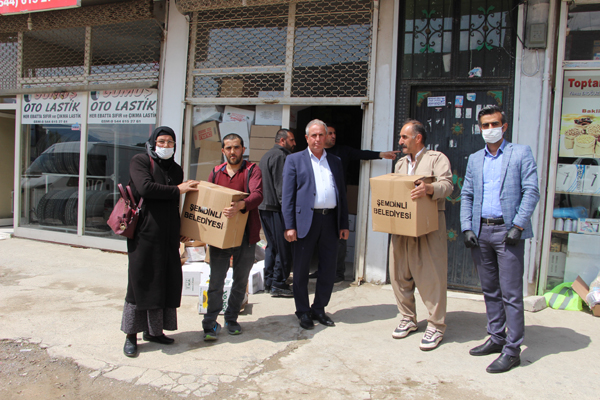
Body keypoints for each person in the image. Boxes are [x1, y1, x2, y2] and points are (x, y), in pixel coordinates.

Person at [460, 105, 539, 373]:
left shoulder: (520, 153)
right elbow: (467, 194)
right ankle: (496, 337)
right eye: (485, 125)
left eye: (494, 124)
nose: (490, 129)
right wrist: (466, 227)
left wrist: (518, 225)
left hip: (508, 233)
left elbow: (531, 191)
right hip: (481, 232)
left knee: (512, 294)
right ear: (480, 129)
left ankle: (513, 349)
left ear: (504, 127)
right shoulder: (474, 159)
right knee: (490, 290)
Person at [121, 126, 200, 358]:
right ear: (153, 142)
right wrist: (178, 189)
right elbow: (146, 188)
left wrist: (182, 231)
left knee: (163, 282)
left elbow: (174, 204)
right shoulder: (140, 161)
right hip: (144, 233)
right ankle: (131, 335)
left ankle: (154, 332)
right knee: (139, 283)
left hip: (168, 235)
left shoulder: (175, 169)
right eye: (162, 141)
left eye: (170, 143)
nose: (166, 146)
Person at [388, 119, 453, 351]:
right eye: (400, 137)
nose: (400, 142)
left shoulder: (437, 159)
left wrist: (429, 188)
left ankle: (436, 324)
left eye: (404, 137)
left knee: (431, 275)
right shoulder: (400, 164)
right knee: (399, 273)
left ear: (418, 138)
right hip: (402, 227)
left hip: (428, 227)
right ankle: (408, 318)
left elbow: (448, 185)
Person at [282, 119, 349, 330]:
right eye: (314, 135)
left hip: (329, 220)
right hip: (304, 222)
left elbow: (342, 195)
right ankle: (302, 311)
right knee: (301, 269)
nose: (318, 139)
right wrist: (289, 225)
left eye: (322, 135)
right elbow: (287, 196)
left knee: (328, 268)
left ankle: (319, 308)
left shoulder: (335, 161)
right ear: (307, 138)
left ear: (327, 136)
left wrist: (343, 223)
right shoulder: (294, 160)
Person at [314, 124, 400, 284]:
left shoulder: (342, 151)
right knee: (320, 239)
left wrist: (382, 154)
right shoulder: (317, 154)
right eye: (330, 133)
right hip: (320, 205)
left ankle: (338, 273)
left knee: (339, 238)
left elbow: (361, 154)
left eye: (335, 133)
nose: (333, 136)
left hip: (338, 204)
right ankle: (321, 270)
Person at [202, 133, 263, 341]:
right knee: (216, 280)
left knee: (240, 280)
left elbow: (258, 195)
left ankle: (232, 318)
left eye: (236, 147)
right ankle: (210, 322)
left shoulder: (251, 170)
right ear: (223, 151)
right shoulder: (215, 172)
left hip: (246, 237)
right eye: (228, 148)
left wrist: (240, 205)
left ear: (243, 149)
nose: (232, 152)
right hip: (220, 237)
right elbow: (207, 199)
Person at [258, 129, 296, 298]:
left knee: (272, 246)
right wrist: (288, 213)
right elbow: (282, 187)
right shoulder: (281, 156)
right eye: (292, 140)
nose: (294, 143)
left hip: (265, 207)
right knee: (283, 247)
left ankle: (269, 281)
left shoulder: (267, 155)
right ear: (282, 141)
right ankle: (279, 284)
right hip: (275, 208)